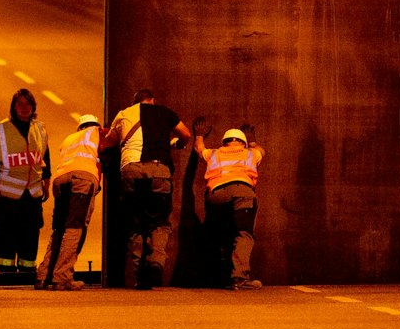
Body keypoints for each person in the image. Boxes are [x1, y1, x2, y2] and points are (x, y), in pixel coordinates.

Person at [105, 88, 192, 289]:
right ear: (152, 100)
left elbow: (109, 142)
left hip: (131, 170)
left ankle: (137, 276)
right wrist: (177, 144)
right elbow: (185, 134)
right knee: (160, 222)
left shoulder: (123, 114)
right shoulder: (164, 112)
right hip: (159, 169)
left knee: (136, 225)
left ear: (134, 101)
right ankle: (155, 263)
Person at [191, 126, 265, 290]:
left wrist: (200, 135)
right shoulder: (250, 153)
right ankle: (239, 278)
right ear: (243, 143)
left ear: (224, 142)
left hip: (216, 195)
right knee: (243, 234)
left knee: (217, 234)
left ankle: (212, 277)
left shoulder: (215, 153)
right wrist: (252, 141)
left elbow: (199, 149)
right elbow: (261, 151)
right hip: (242, 192)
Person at [0, 88, 50, 275]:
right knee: (6, 232)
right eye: (20, 104)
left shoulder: (40, 128)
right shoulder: (0, 129)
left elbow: (45, 156)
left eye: (28, 104)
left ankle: (27, 268)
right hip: (8, 192)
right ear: (13, 107)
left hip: (32, 192)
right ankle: (5, 270)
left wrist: (46, 181)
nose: (24, 108)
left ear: (33, 107)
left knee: (31, 233)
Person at [37, 113, 101, 290]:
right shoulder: (97, 132)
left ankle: (44, 276)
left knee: (59, 229)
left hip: (61, 180)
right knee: (75, 228)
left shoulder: (70, 139)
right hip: (83, 179)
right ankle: (62, 277)